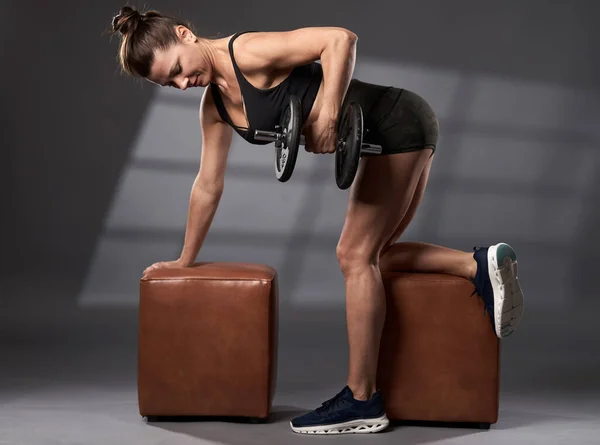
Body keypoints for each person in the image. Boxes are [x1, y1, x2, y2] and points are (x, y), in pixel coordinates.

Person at [110, 6, 524, 435]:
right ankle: (479, 264)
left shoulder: (248, 51)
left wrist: (327, 115)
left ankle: (362, 399)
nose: (181, 83)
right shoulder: (214, 106)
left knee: (353, 256)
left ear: (185, 34)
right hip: (398, 130)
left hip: (396, 122)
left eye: (177, 68)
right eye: (169, 83)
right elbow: (207, 186)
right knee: (374, 259)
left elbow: (340, 38)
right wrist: (183, 260)